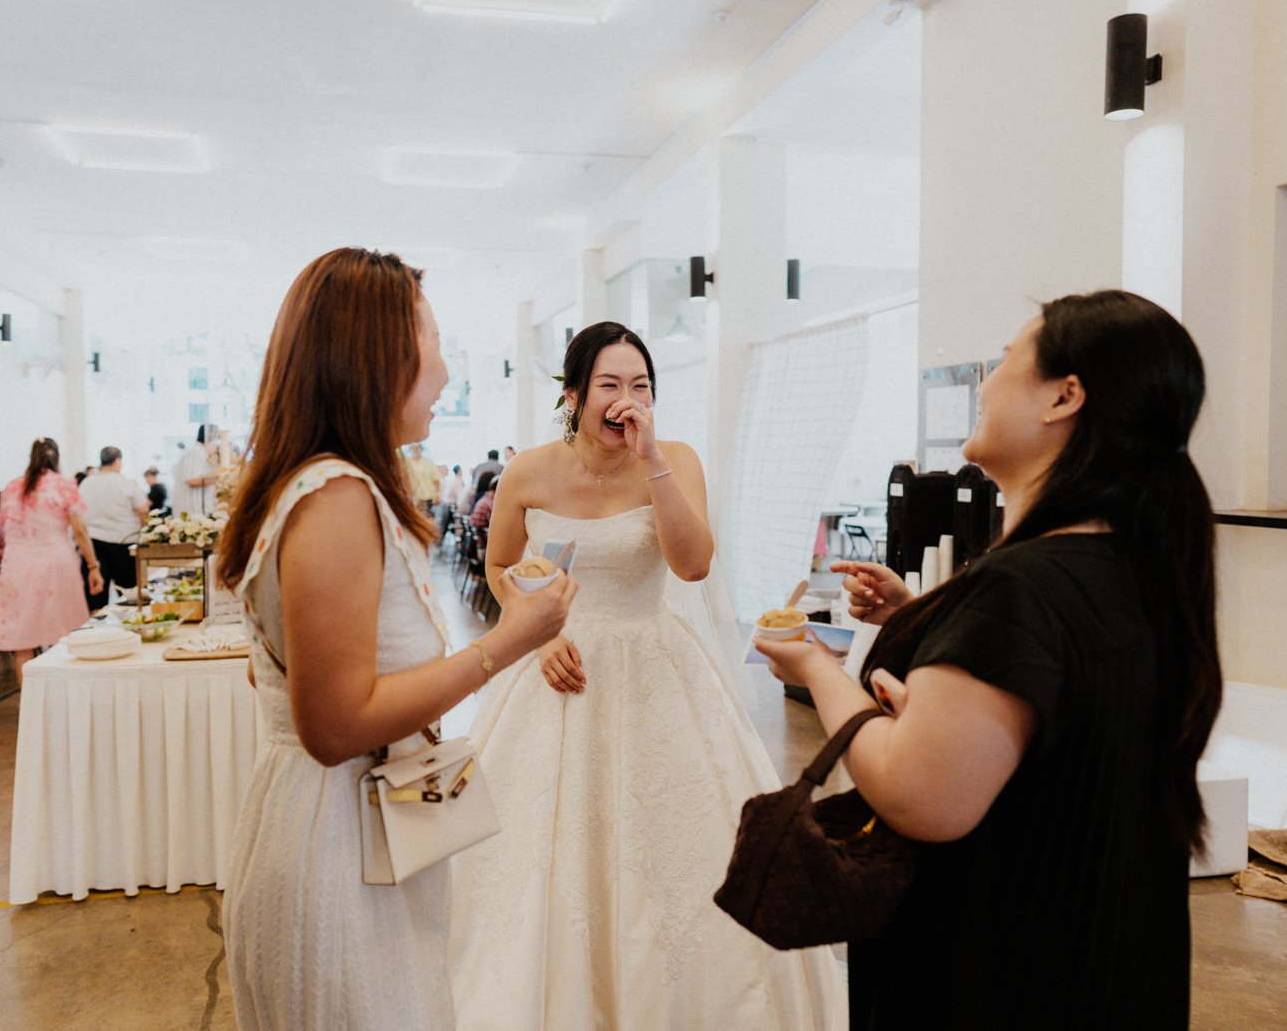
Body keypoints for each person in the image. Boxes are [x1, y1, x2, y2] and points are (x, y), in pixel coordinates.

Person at [758, 291, 1221, 1028]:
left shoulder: (1018, 586)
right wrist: (923, 619)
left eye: (1006, 360)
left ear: (1064, 396)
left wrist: (817, 669)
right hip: (1107, 966)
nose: (985, 382)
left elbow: (919, 795)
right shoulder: (1141, 569)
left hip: (1005, 972)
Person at [213, 248, 577, 1030]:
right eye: (434, 339)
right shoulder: (337, 497)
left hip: (348, 823)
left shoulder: (323, 486)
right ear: (375, 356)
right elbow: (335, 725)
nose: (446, 371)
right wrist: (509, 640)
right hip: (334, 842)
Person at [448, 321, 844, 1030]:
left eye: (640, 386)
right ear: (572, 396)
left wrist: (653, 458)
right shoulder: (529, 470)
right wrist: (534, 633)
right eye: (609, 385)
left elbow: (692, 564)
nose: (626, 399)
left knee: (674, 849)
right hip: (551, 668)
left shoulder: (675, 459)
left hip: (653, 664)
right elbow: (501, 565)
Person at [0, 438, 103, 676]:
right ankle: (64, 696)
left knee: (22, 638)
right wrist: (93, 565)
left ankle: (29, 705)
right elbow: (79, 529)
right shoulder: (63, 485)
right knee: (64, 631)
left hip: (16, 565)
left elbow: (0, 525)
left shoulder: (11, 487)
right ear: (57, 458)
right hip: (55, 563)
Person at [79, 445, 148, 609]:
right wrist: (144, 532)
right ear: (118, 461)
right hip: (122, 542)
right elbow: (143, 510)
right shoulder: (124, 482)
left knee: (96, 596)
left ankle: (97, 629)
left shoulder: (86, 483)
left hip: (93, 543)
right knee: (129, 595)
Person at [174, 424, 219, 517]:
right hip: (192, 507)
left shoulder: (201, 451)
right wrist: (219, 479)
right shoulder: (195, 452)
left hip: (199, 506)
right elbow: (192, 480)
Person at [404, 442, 439, 515]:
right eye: (414, 448)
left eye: (418, 447)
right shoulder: (407, 462)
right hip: (413, 497)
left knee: (426, 517)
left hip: (427, 496)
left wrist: (437, 494)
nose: (416, 450)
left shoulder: (428, 462)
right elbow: (404, 480)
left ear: (421, 449)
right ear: (410, 449)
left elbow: (436, 480)